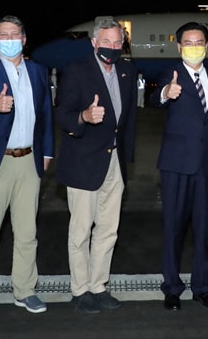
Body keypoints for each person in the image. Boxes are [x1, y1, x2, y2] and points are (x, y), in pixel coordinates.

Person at [0, 15, 55, 319]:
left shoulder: (38, 72)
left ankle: (25, 290)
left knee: (27, 233)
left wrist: (48, 152)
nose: (9, 39)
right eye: (3, 35)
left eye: (14, 34)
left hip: (30, 160)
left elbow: (46, 115)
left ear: (24, 39)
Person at [55, 17, 138, 314]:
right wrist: (84, 118)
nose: (113, 48)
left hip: (114, 161)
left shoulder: (127, 71)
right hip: (83, 162)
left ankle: (98, 285)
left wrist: (125, 156)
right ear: (94, 43)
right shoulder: (76, 72)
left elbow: (128, 122)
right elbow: (62, 114)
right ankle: (80, 289)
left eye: (118, 43)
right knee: (80, 231)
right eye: (107, 42)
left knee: (108, 230)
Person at [150, 21, 208, 311]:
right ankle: (171, 288)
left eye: (199, 42)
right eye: (188, 43)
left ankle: (202, 287)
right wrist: (163, 94)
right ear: (179, 46)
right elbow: (154, 100)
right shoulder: (171, 74)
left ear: (206, 45)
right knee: (173, 229)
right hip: (176, 164)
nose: (194, 47)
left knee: (204, 229)